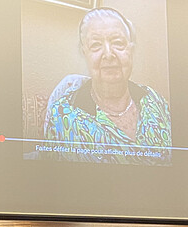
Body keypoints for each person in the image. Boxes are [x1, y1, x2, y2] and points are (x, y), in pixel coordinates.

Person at [44, 7, 172, 165]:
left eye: (118, 43)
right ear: (85, 53)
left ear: (130, 50)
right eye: (96, 45)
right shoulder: (61, 116)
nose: (108, 54)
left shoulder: (156, 100)